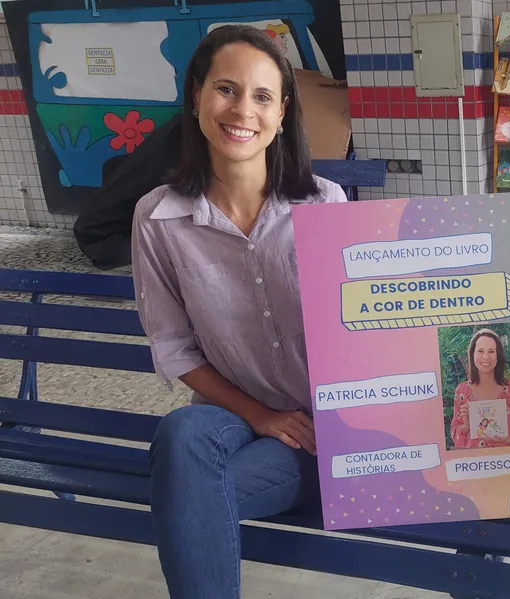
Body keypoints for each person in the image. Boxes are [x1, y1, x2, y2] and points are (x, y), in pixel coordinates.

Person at [130, 25, 345, 599]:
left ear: (281, 113)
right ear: (197, 95)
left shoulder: (325, 205)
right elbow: (174, 346)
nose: (241, 110)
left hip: (319, 435)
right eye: (225, 89)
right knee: (181, 434)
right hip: (227, 417)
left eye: (261, 96)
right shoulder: (158, 218)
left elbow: (363, 331)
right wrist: (259, 414)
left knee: (188, 485)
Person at [450, 329, 510, 449]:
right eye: (480, 351)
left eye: (491, 351)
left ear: (498, 356)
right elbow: (456, 432)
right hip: (475, 464)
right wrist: (466, 425)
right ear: (472, 354)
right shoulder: (462, 391)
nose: (486, 357)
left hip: (507, 461)